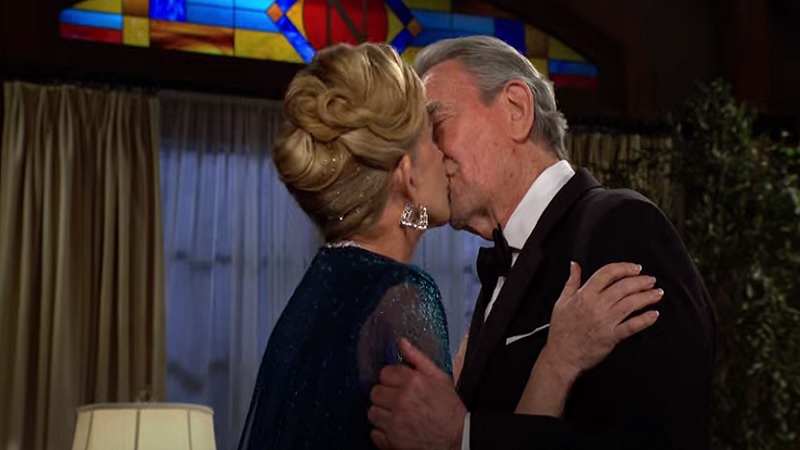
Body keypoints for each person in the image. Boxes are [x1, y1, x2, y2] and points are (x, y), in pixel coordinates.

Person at [237, 42, 662, 450]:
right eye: (430, 136)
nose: (441, 154)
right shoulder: (404, 296)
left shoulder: (330, 274)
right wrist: (556, 364)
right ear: (407, 173)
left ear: (516, 108)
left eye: (439, 126)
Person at [368, 36, 716, 450]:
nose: (426, 155)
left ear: (516, 109)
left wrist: (463, 436)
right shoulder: (501, 267)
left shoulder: (621, 226)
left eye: (435, 126)